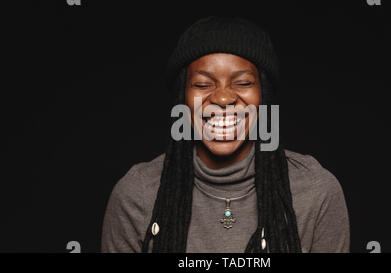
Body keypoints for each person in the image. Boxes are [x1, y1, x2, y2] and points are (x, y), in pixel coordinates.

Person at [101, 16, 350, 253]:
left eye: (242, 83)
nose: (222, 98)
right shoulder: (136, 195)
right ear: (182, 98)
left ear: (263, 98)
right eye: (202, 84)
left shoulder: (316, 192)